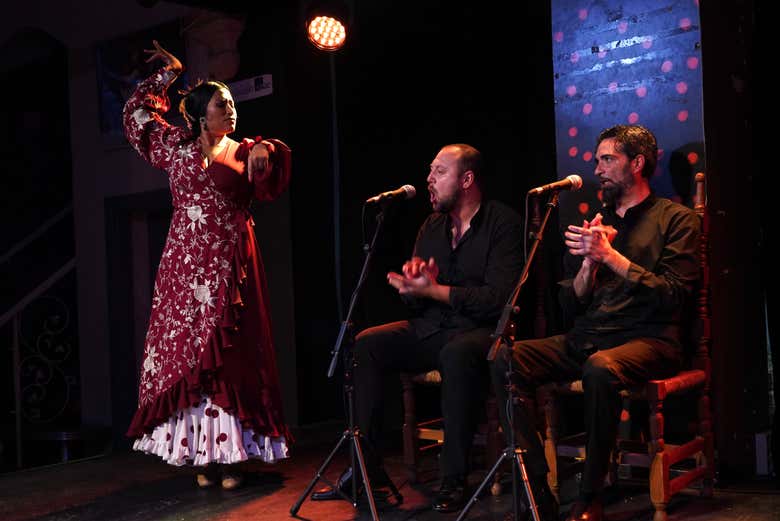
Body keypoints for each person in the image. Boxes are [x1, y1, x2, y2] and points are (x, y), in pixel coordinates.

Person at [490, 125, 700, 521]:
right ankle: (536, 490)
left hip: (650, 339)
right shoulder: (597, 222)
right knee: (504, 357)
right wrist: (589, 264)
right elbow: (571, 301)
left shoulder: (677, 219)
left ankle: (592, 494)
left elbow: (673, 295)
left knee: (600, 368)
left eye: (608, 159)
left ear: (637, 164)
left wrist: (612, 257)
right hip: (592, 335)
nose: (596, 167)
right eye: (597, 158)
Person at [311, 143, 524, 513]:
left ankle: (454, 479)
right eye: (430, 171)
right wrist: (414, 285)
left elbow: (497, 298)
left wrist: (436, 290)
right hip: (434, 326)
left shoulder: (502, 224)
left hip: (481, 332)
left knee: (456, 353)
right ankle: (366, 472)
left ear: (467, 179)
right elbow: (418, 301)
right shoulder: (432, 225)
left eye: (439, 172)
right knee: (367, 344)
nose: (429, 179)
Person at [123, 40, 293, 490]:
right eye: (223, 105)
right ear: (201, 114)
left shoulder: (245, 150)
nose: (231, 111)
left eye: (234, 104)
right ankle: (200, 457)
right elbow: (136, 116)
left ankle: (232, 456)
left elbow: (273, 162)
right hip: (183, 264)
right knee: (188, 356)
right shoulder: (174, 150)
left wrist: (267, 151)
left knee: (228, 356)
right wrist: (169, 73)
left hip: (229, 264)